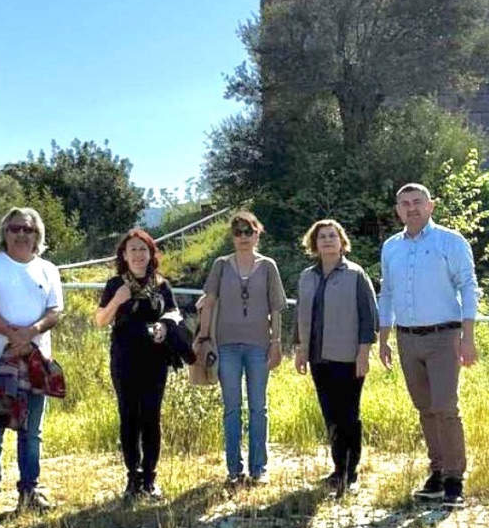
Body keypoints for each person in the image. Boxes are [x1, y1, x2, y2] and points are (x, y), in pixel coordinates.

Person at [377, 183, 481, 508]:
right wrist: (384, 338)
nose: (412, 208)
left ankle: (454, 478)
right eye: (405, 204)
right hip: (407, 338)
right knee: (425, 409)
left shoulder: (450, 242)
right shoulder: (391, 247)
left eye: (417, 202)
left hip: (444, 336)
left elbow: (468, 286)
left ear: (431, 205)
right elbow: (388, 293)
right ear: (397, 210)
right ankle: (436, 473)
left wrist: (468, 337)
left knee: (446, 408)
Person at [0, 208, 65, 517]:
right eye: (15, 228)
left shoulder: (48, 269)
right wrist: (13, 335)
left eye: (27, 229)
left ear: (36, 234)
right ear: (5, 233)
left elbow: (55, 311)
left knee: (32, 433)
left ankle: (30, 490)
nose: (21, 234)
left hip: (36, 364)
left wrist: (31, 333)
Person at [197, 211, 287, 489]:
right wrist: (203, 338)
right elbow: (208, 301)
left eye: (249, 231)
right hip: (226, 346)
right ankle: (234, 470)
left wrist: (276, 343)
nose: (243, 237)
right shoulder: (221, 265)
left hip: (259, 345)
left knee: (258, 408)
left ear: (258, 234)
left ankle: (259, 468)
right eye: (238, 232)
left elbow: (276, 307)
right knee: (232, 408)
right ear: (232, 236)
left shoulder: (268, 265)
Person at [94, 229, 182, 502]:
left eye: (143, 249)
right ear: (123, 254)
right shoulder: (115, 284)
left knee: (152, 417)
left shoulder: (161, 284)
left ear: (150, 253)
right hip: (124, 359)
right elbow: (100, 320)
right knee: (129, 416)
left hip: (155, 360)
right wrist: (118, 300)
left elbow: (175, 312)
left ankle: (150, 477)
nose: (138, 255)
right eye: (132, 249)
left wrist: (165, 324)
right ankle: (133, 476)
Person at [292, 219, 377, 498]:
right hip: (318, 358)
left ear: (341, 241)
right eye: (322, 237)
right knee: (331, 416)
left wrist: (364, 353)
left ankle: (351, 473)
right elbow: (300, 315)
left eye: (332, 236)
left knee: (349, 415)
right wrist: (300, 349)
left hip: (349, 357)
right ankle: (338, 468)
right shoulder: (307, 276)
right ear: (314, 244)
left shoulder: (355, 274)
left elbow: (369, 317)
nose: (327, 240)